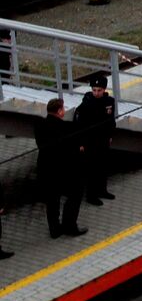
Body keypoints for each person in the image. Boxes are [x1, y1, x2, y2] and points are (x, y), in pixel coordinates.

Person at [35, 98, 86, 238]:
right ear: (59, 111)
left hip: (45, 169)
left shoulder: (39, 126)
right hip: (63, 171)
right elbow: (70, 150)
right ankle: (70, 226)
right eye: (63, 109)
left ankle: (54, 229)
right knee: (75, 194)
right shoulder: (65, 128)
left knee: (52, 200)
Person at [74, 74, 117, 205]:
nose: (96, 93)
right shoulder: (87, 103)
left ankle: (102, 190)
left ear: (104, 90)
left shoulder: (109, 101)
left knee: (103, 166)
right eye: (94, 90)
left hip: (103, 139)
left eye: (99, 90)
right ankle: (91, 195)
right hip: (90, 141)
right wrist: (81, 142)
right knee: (92, 169)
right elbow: (79, 124)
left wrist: (110, 135)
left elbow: (111, 120)